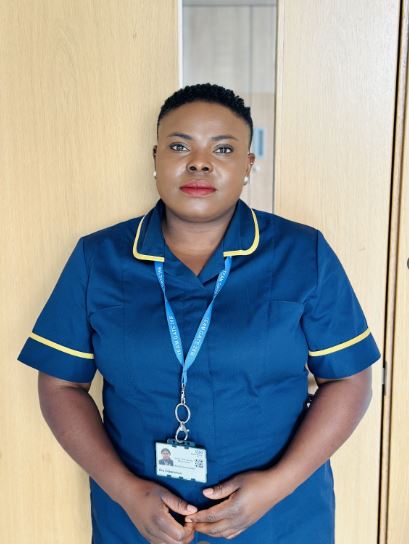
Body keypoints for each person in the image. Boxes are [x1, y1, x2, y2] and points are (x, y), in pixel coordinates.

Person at [17, 83, 381, 544]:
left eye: (223, 149)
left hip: (279, 520)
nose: (199, 163)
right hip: (139, 523)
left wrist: (275, 487)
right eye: (179, 145)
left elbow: (350, 379)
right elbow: (59, 383)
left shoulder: (302, 254)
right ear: (155, 158)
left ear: (248, 165)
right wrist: (127, 493)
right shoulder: (98, 258)